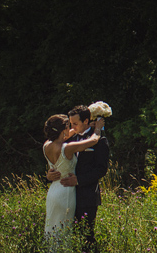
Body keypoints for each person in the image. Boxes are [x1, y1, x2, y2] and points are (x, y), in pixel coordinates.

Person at [47, 104, 110, 252]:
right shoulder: (67, 139)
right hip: (65, 196)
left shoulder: (99, 141)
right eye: (70, 124)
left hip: (86, 196)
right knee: (65, 235)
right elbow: (57, 161)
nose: (72, 128)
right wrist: (49, 175)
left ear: (86, 121)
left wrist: (79, 180)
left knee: (86, 238)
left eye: (75, 124)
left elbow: (101, 169)